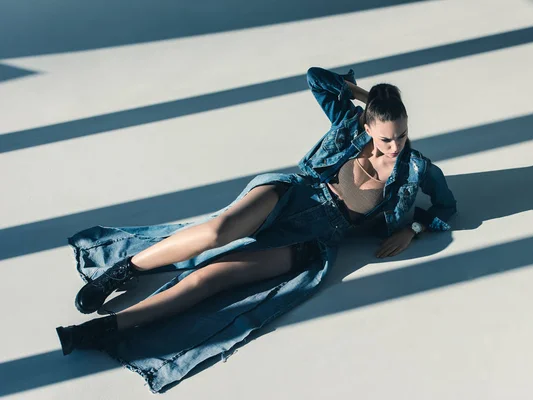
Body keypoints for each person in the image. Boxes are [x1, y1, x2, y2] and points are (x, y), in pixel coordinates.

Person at [56, 66, 456, 386]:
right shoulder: (352, 124)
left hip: (313, 239)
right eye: (386, 137)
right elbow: (316, 77)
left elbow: (446, 206)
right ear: (369, 127)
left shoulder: (417, 169)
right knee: (216, 233)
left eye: (401, 135)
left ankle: (99, 332)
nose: (395, 145)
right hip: (293, 195)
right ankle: (118, 274)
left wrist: (414, 230)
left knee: (212, 279)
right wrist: (370, 99)